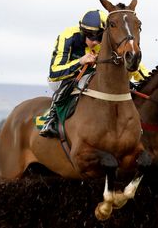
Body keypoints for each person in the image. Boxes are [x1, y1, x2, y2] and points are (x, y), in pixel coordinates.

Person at [40, 9, 150, 138]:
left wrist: (150, 81)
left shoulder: (109, 41)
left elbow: (135, 67)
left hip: (94, 78)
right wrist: (80, 61)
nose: (94, 42)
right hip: (63, 78)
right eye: (89, 35)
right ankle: (51, 119)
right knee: (77, 81)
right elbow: (55, 73)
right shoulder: (68, 36)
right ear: (81, 30)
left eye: (99, 36)